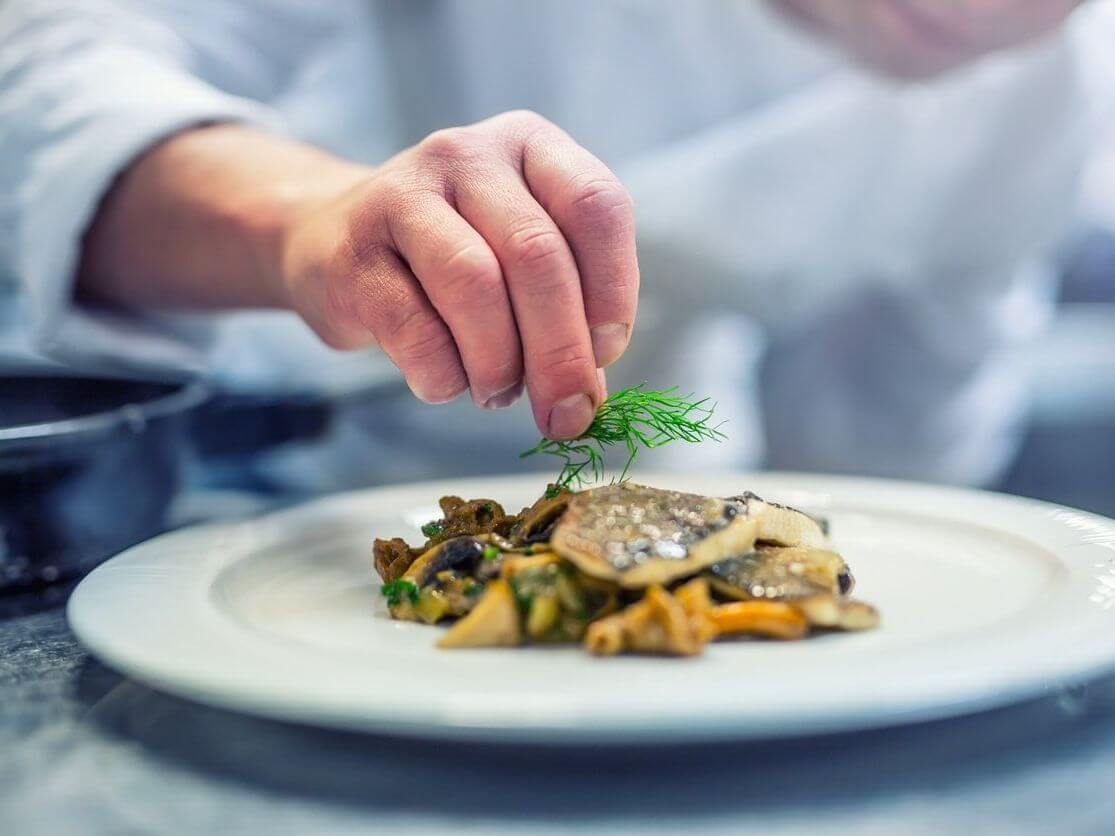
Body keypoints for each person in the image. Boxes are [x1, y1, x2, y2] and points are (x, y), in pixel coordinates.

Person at [1, 1, 1111, 488]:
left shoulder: (1040, 101)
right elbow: (49, 72)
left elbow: (890, 463)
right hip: (201, 479)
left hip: (642, 542)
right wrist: (312, 224)